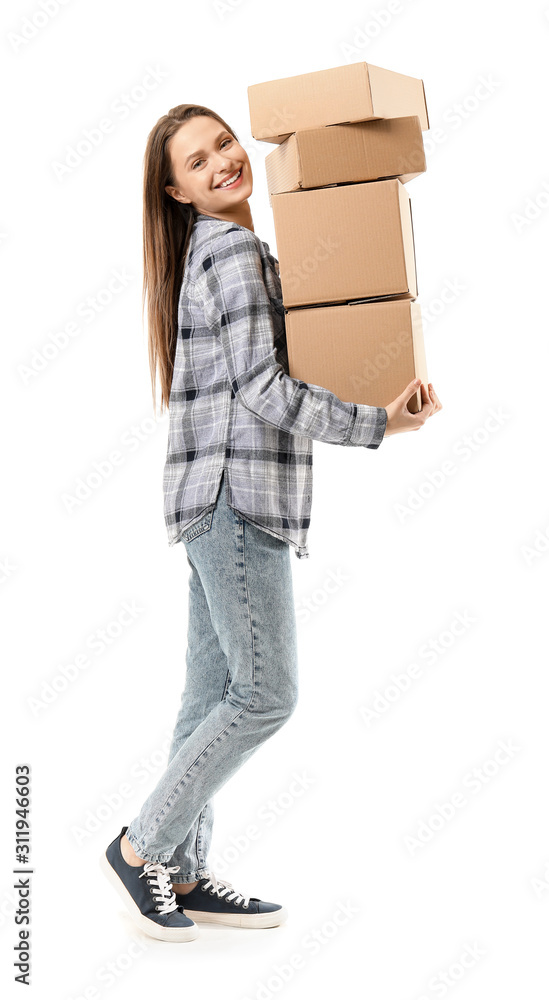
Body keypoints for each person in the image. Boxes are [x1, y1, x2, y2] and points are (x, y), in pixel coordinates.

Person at [100, 103, 443, 943]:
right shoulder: (233, 254)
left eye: (224, 142)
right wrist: (377, 423)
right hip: (235, 499)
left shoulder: (222, 256)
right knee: (265, 696)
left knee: (210, 695)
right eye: (197, 159)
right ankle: (141, 844)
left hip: (212, 500)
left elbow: (283, 365)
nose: (221, 160)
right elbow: (265, 391)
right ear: (176, 191)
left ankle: (177, 869)